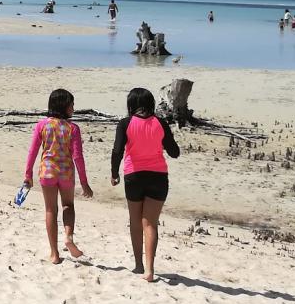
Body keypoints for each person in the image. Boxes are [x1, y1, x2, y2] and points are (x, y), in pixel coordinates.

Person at [110, 88, 181, 282]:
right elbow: (175, 152)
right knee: (150, 223)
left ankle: (138, 265)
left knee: (135, 221)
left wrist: (114, 174)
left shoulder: (125, 123)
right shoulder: (161, 123)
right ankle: (150, 270)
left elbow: (117, 151)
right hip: (158, 177)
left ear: (130, 105)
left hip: (133, 176)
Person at [22, 89, 93, 264]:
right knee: (68, 206)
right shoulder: (73, 128)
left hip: (47, 172)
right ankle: (68, 237)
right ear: (63, 106)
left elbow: (33, 151)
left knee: (50, 210)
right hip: (66, 173)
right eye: (72, 105)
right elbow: (77, 157)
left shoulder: (42, 125)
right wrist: (85, 183)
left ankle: (54, 254)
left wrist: (28, 174)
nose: (74, 108)